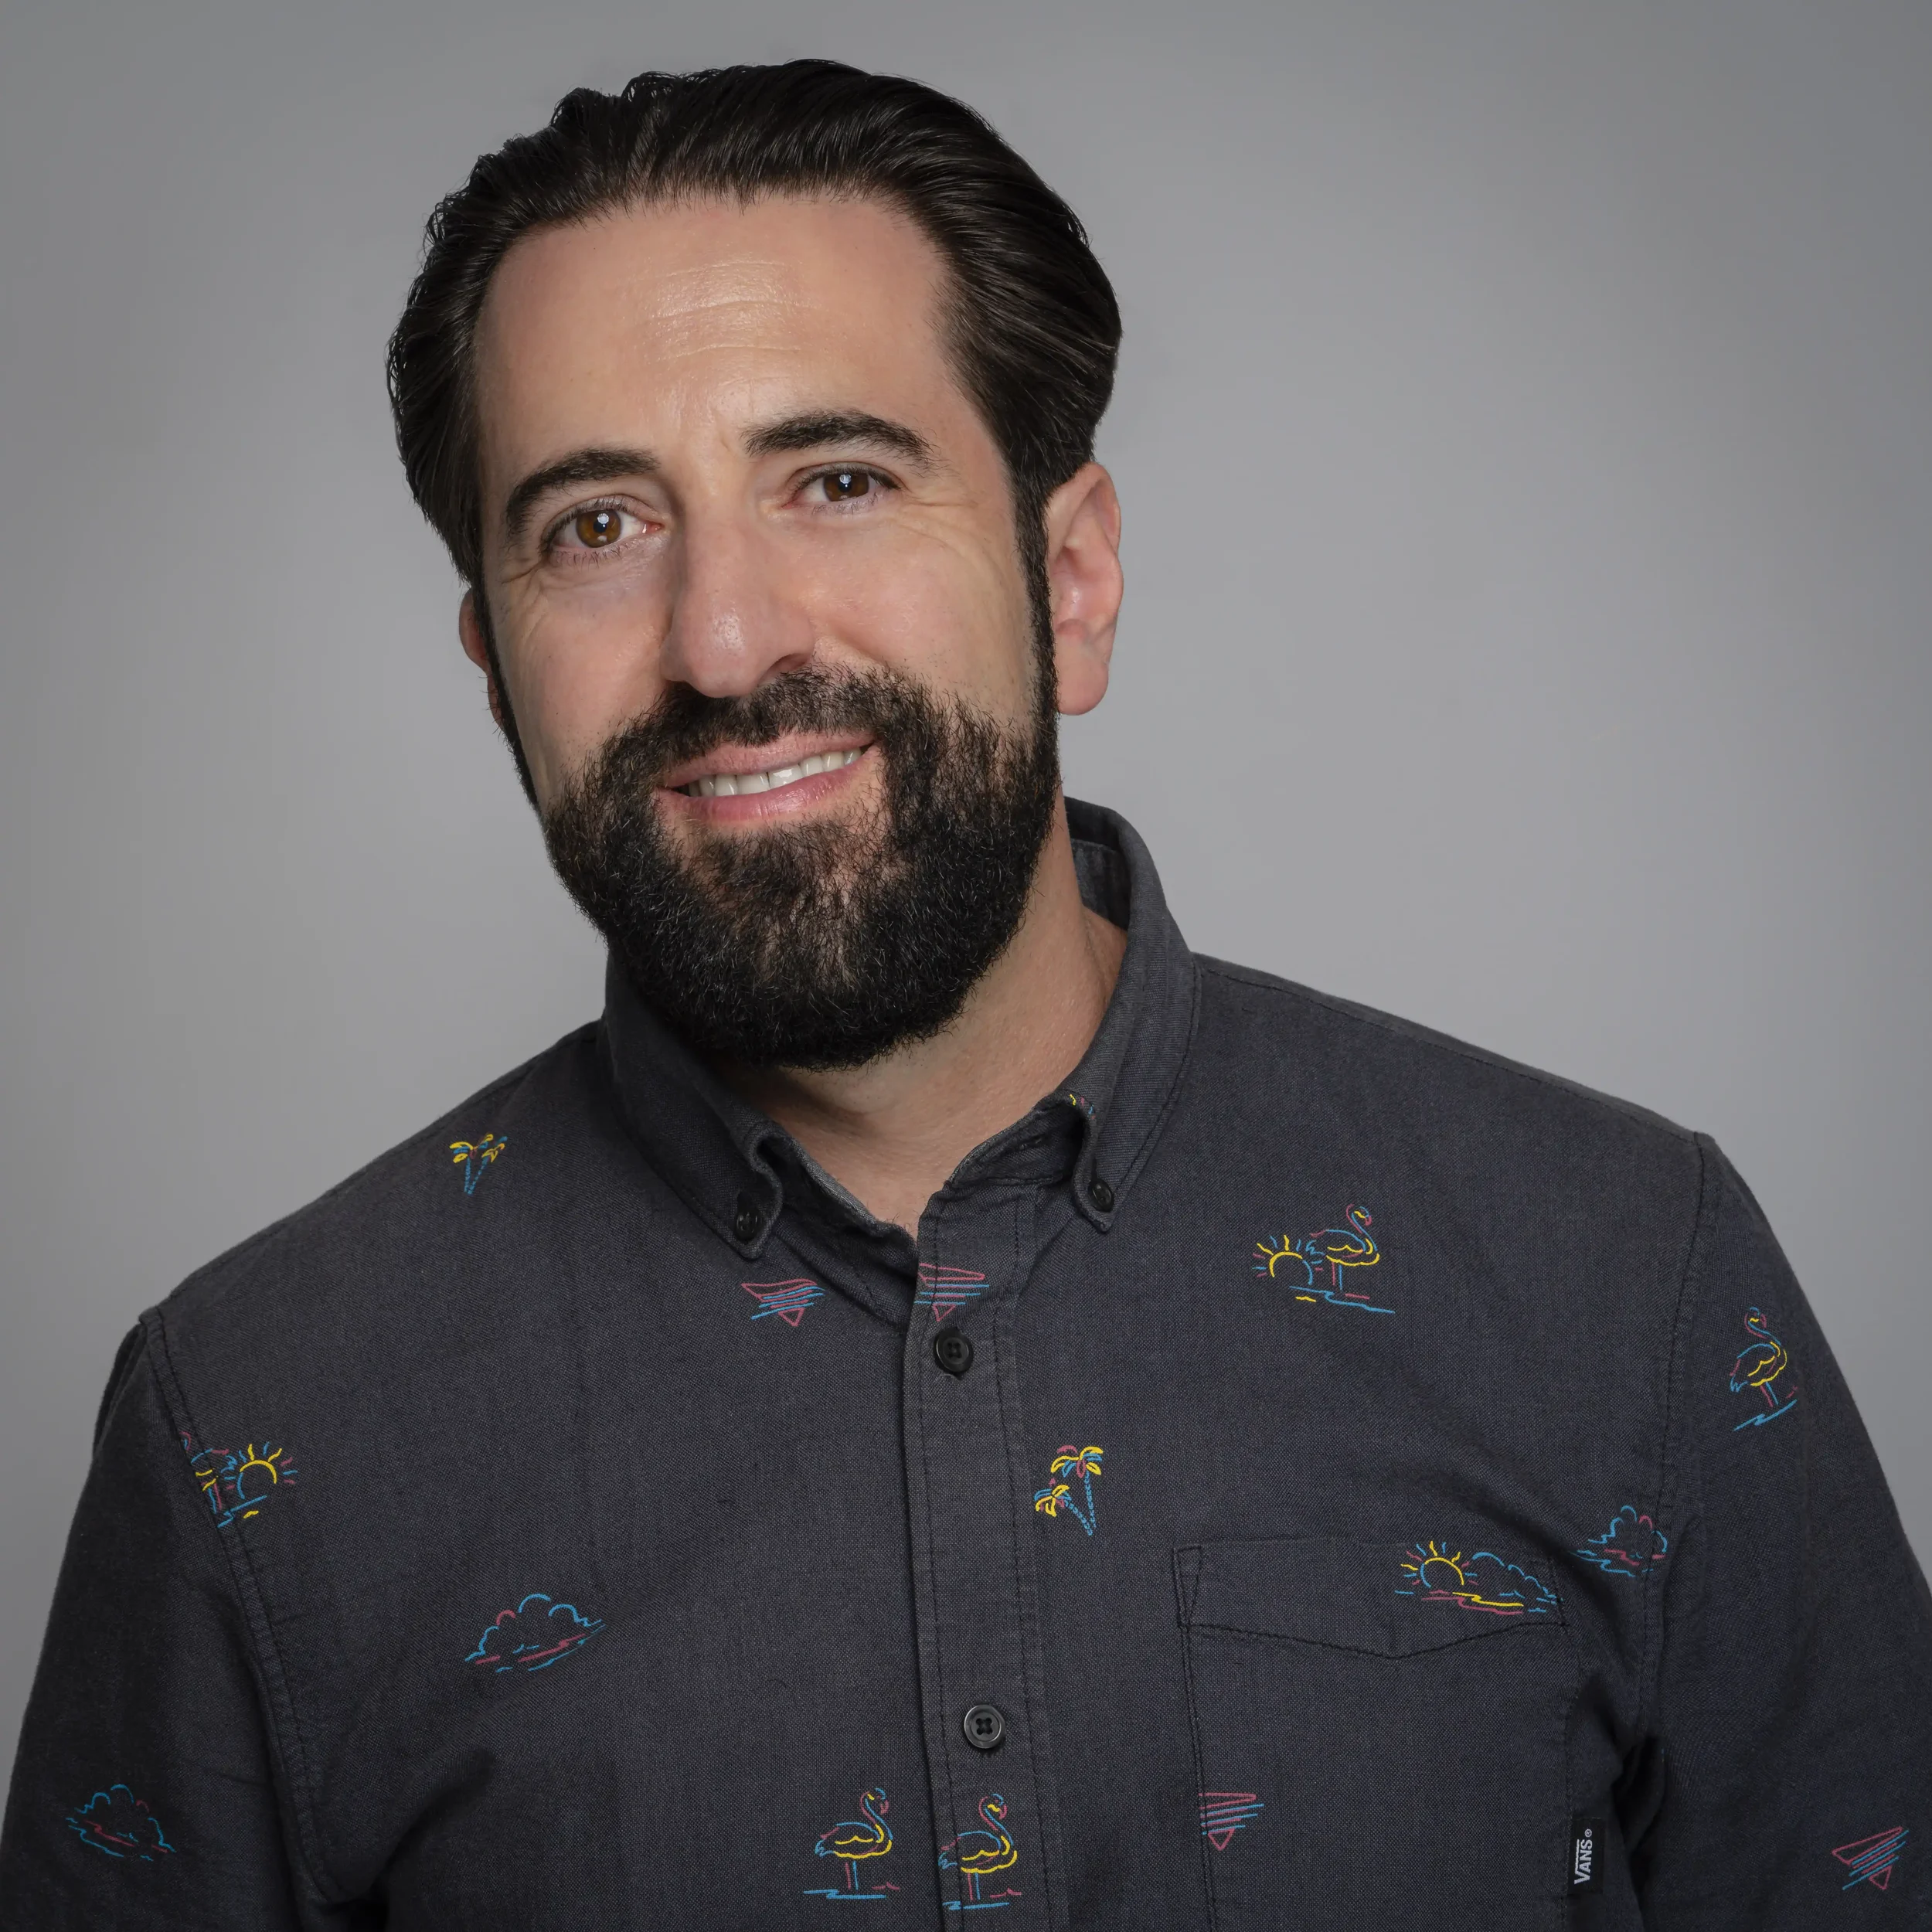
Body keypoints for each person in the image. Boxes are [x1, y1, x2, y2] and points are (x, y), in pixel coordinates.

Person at [2, 58, 1926, 1931]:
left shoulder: (1620, 1274)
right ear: (494, 667)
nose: (724, 637)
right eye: (594, 525)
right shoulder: (253, 1420)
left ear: (1069, 578)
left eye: (836, 477)